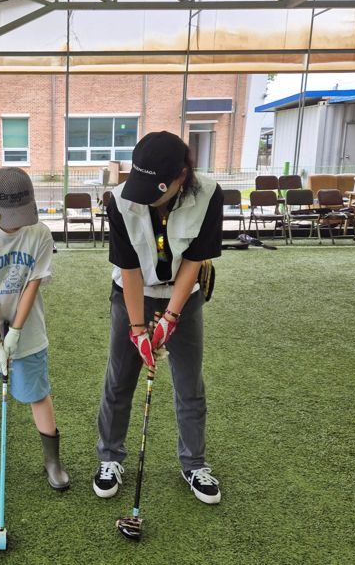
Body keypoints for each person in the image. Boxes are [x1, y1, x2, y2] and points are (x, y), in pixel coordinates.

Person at [92, 131, 224, 504]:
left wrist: (170, 317)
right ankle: (110, 457)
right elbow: (129, 269)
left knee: (189, 383)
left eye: (157, 189)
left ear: (182, 175)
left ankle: (194, 463)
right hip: (131, 295)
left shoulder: (209, 196)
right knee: (119, 379)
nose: (147, 198)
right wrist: (138, 329)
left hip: (185, 296)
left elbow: (195, 260)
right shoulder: (119, 202)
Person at [0, 167, 70, 490]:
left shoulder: (40, 234)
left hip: (29, 328)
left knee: (38, 393)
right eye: (11, 215)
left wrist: (16, 332)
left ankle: (52, 462)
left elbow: (33, 285)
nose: (19, 221)